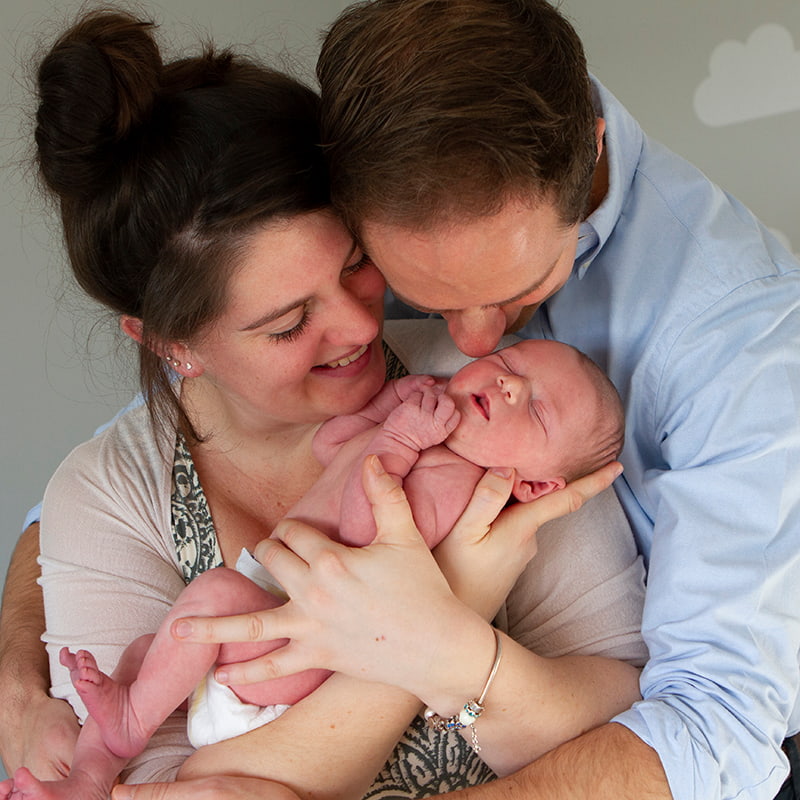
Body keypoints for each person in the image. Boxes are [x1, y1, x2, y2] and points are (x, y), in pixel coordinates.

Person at [156, 1, 800, 799]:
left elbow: (719, 733)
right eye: (422, 298)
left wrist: (441, 650)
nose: (469, 343)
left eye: (521, 292)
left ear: (588, 152)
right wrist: (20, 628)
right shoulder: (385, 199)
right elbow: (230, 375)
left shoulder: (746, 345)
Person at [0, 7, 647, 799]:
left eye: (355, 266)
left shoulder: (486, 399)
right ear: (173, 344)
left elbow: (632, 711)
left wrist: (439, 652)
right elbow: (157, 788)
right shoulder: (109, 495)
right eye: (288, 322)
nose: (359, 326)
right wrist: (442, 622)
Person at [1, 337, 627, 800]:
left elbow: (365, 534)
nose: (511, 386)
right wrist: (381, 415)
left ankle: (128, 724)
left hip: (294, 660)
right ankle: (93, 768)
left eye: (537, 412)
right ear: (175, 344)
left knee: (211, 600)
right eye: (510, 365)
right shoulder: (112, 485)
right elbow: (333, 451)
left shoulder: (462, 486)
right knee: (152, 646)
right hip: (272, 614)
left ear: (539, 485)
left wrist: (400, 440)